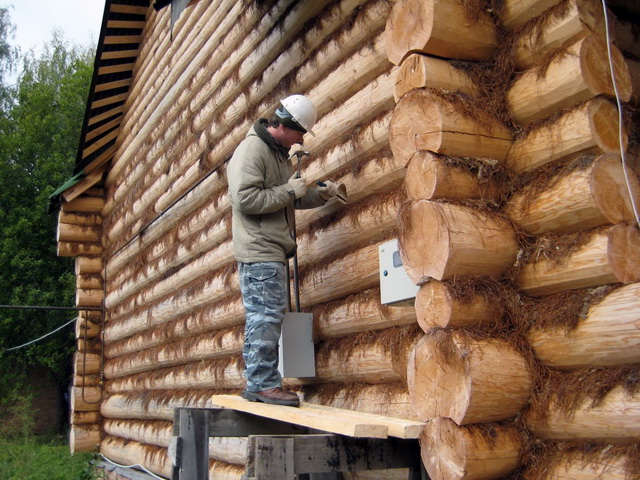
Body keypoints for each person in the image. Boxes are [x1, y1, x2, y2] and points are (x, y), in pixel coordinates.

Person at [227, 94, 339, 407]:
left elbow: (285, 198)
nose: (301, 139)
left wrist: (319, 194)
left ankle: (262, 383)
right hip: (259, 249)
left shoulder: (278, 154)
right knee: (264, 316)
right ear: (285, 126)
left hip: (272, 250)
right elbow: (245, 200)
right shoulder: (253, 150)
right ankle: (262, 384)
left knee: (269, 314)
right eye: (301, 131)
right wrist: (290, 189)